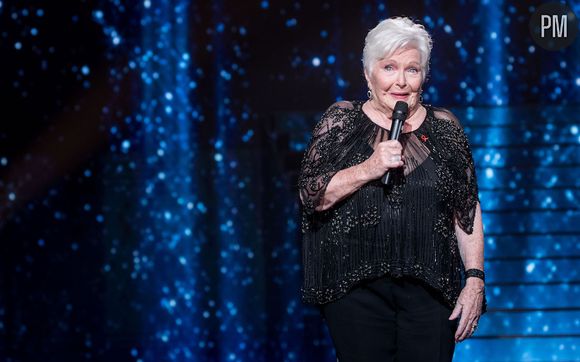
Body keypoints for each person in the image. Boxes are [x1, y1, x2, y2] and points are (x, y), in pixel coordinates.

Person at [298, 17, 486, 362]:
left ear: (424, 76)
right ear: (369, 73)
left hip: (430, 289)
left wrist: (474, 279)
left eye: (412, 70)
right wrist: (369, 168)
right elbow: (312, 195)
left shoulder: (444, 127)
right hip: (355, 289)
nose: (400, 81)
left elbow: (467, 209)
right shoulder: (341, 120)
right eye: (389, 67)